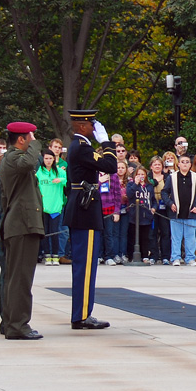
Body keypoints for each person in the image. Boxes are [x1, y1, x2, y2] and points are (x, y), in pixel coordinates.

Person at [63, 108, 117, 330]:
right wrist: (107, 143)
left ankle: (82, 312)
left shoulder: (79, 147)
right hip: (85, 210)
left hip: (83, 207)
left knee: (85, 264)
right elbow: (111, 166)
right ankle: (82, 315)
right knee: (85, 266)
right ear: (83, 126)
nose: (96, 129)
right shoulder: (82, 148)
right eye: (93, 125)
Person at [0, 122, 46, 340]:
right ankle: (17, 325)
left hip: (19, 224)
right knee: (20, 279)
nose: (32, 142)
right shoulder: (15, 158)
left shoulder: (12, 159)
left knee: (13, 277)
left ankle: (10, 321)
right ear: (21, 140)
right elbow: (28, 163)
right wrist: (36, 144)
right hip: (22, 224)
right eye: (29, 138)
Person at [166, 151, 196, 265]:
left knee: (190, 237)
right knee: (176, 237)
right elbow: (164, 192)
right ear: (178, 164)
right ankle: (176, 257)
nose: (185, 164)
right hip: (176, 212)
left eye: (187, 162)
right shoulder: (172, 177)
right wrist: (170, 203)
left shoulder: (195, 177)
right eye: (182, 162)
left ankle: (190, 258)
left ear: (190, 164)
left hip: (191, 212)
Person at [36, 150, 66, 265]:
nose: (48, 161)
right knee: (45, 232)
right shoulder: (39, 172)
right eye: (46, 158)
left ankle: (55, 255)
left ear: (54, 159)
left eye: (50, 158)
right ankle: (47, 255)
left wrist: (61, 180)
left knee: (55, 232)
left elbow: (68, 182)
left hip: (56, 207)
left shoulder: (59, 172)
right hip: (43, 207)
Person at [125, 165, 153, 262]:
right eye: (138, 174)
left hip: (146, 215)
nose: (141, 176)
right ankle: (131, 256)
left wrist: (153, 208)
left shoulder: (149, 186)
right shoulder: (131, 184)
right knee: (133, 236)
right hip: (134, 215)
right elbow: (129, 195)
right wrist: (135, 184)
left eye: (143, 174)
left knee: (145, 237)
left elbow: (153, 199)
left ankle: (145, 255)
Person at [100, 160, 124, 266]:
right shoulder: (94, 174)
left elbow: (118, 195)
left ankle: (108, 256)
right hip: (97, 208)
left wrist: (117, 211)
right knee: (98, 234)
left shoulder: (113, 176)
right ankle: (98, 255)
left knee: (109, 234)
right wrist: (100, 181)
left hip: (110, 208)